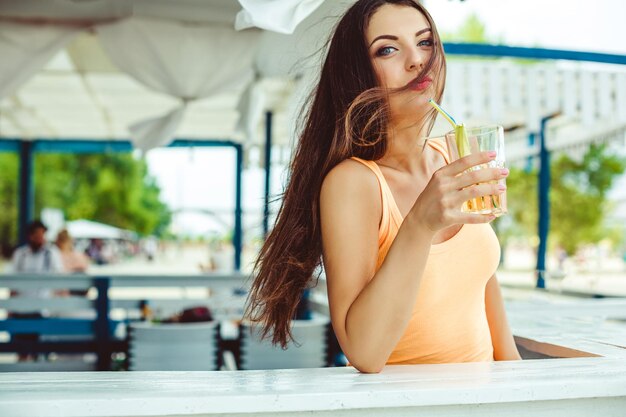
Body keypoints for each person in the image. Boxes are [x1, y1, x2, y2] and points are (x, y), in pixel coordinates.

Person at [244, 0, 521, 373]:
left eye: (425, 43)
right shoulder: (353, 183)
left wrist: (520, 388)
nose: (416, 61)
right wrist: (420, 224)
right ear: (358, 73)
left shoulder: (452, 155)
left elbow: (486, 296)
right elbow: (365, 352)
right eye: (388, 49)